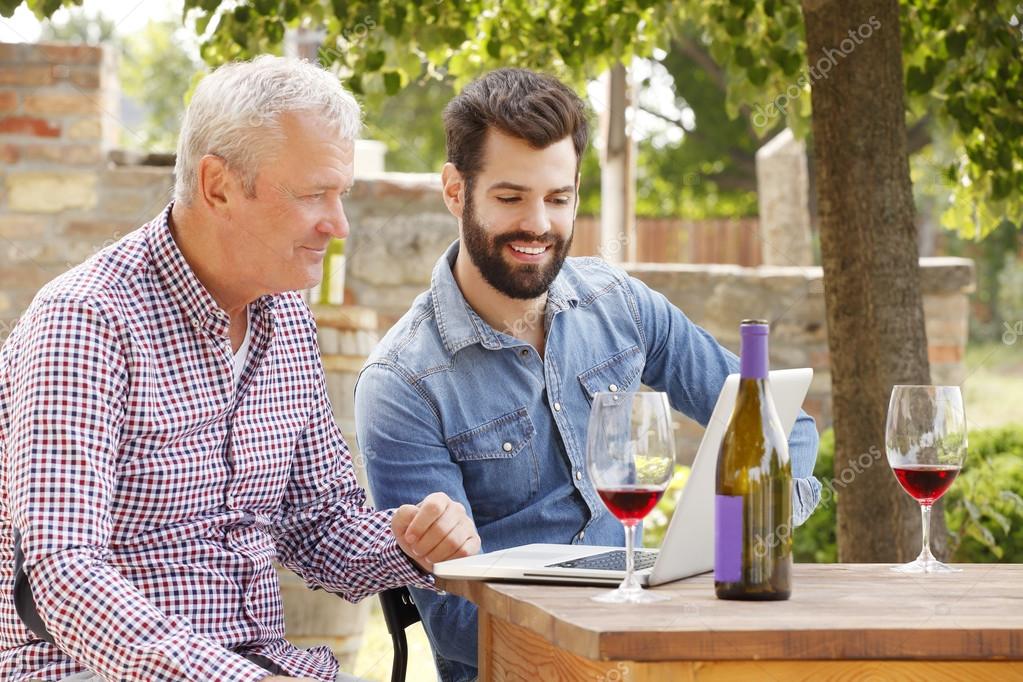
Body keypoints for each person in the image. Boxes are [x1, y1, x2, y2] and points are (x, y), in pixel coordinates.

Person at [0, 56, 478, 682]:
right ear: (218, 185)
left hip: (263, 666)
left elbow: (317, 525)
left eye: (341, 195)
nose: (339, 224)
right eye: (313, 194)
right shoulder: (87, 321)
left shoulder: (285, 319)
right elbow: (62, 572)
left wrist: (410, 545)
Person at [354, 68, 822, 681]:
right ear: (454, 191)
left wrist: (736, 542)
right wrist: (625, 620)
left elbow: (788, 425)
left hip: (644, 654)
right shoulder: (402, 383)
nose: (539, 226)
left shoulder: (620, 306)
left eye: (558, 199)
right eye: (510, 197)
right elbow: (458, 625)